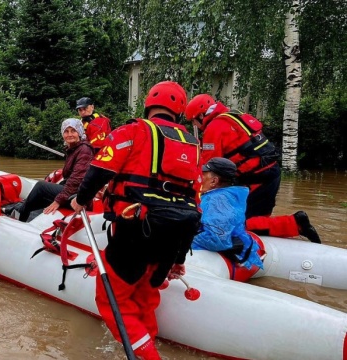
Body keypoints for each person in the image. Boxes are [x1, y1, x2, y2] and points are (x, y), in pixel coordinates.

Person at [71, 81, 202, 359]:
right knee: (146, 298)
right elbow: (195, 204)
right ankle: (148, 344)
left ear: (149, 104)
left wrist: (79, 200)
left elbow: (98, 171)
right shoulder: (193, 146)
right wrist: (179, 259)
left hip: (135, 233)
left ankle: (148, 356)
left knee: (112, 300)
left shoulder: (133, 130)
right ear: (179, 111)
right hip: (172, 238)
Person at [185, 94, 321, 243]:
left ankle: (296, 223)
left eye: (194, 122)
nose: (196, 126)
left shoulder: (214, 128)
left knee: (239, 223)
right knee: (259, 220)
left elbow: (210, 168)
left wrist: (196, 195)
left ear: (201, 115)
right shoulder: (235, 115)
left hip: (256, 180)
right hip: (271, 173)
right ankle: (289, 229)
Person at [192, 157, 264, 277]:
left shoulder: (216, 200)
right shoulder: (230, 194)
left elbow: (216, 240)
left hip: (226, 252)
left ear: (214, 181)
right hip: (236, 242)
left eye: (204, 174)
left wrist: (184, 239)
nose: (200, 178)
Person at [14, 118, 93, 222]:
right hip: (73, 192)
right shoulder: (74, 149)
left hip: (78, 197)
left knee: (41, 186)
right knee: (42, 194)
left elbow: (76, 181)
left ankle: (21, 215)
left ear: (79, 132)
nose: (69, 134)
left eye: (73, 131)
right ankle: (20, 208)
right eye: (66, 131)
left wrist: (58, 201)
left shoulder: (84, 150)